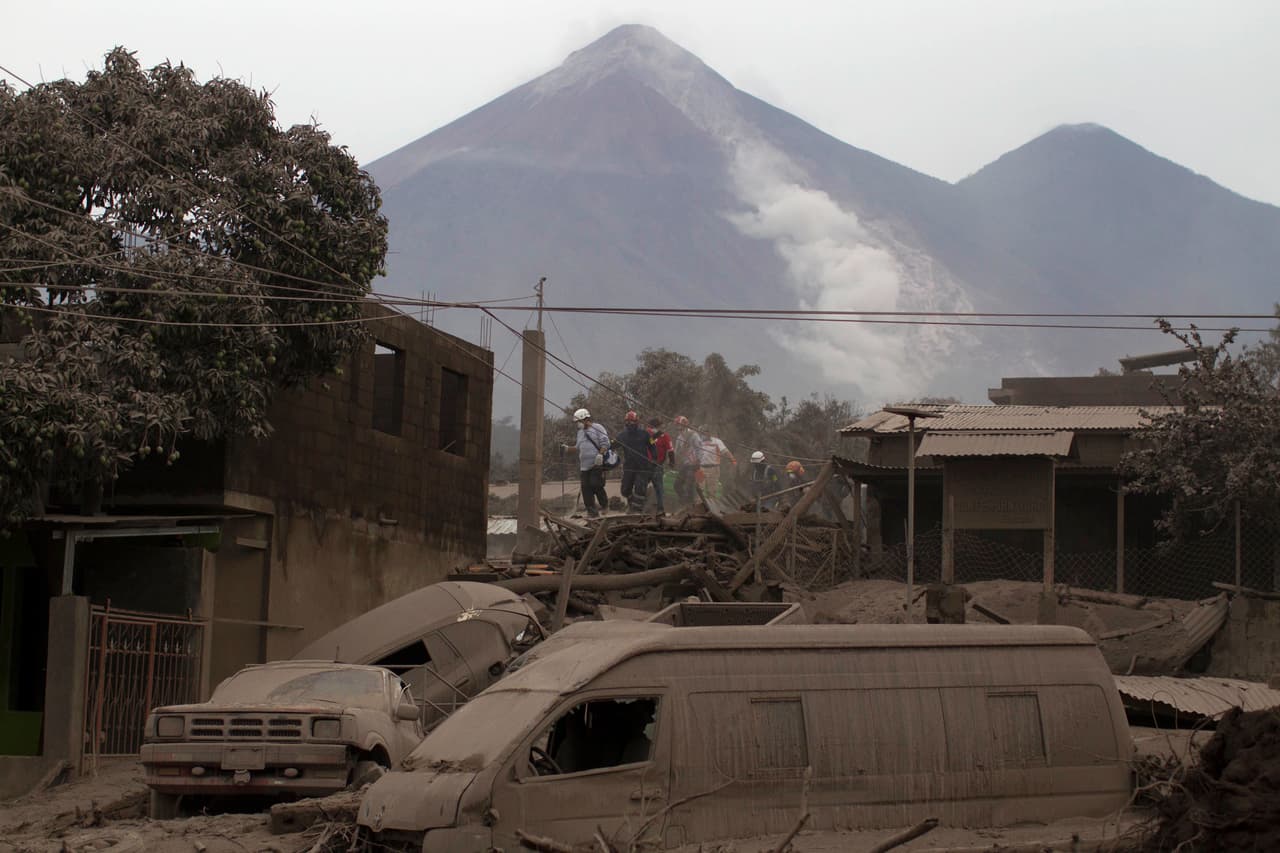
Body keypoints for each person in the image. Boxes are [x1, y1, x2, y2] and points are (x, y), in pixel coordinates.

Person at [561, 408, 610, 517]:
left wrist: (600, 454)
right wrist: (566, 448)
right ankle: (592, 512)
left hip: (597, 464)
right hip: (584, 467)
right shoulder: (580, 433)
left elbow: (605, 443)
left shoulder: (597, 428)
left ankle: (605, 505)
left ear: (585, 419)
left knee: (595, 484)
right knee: (586, 488)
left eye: (578, 422)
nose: (577, 424)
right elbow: (577, 447)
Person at [616, 410, 655, 512]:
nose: (629, 424)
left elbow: (653, 447)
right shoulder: (622, 436)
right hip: (629, 467)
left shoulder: (645, 434)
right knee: (625, 490)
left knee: (639, 488)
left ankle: (636, 510)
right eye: (627, 422)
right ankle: (633, 504)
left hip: (643, 467)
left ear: (637, 422)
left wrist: (653, 462)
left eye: (632, 421)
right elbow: (612, 446)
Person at [671, 415, 703, 506]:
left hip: (694, 464)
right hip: (685, 464)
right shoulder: (679, 438)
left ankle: (691, 504)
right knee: (677, 485)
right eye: (677, 426)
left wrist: (698, 460)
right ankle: (685, 501)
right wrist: (673, 461)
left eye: (679, 426)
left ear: (685, 425)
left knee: (689, 485)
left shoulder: (693, 435)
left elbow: (700, 449)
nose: (678, 428)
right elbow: (676, 453)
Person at [645, 417, 672, 513]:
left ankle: (643, 508)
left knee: (645, 486)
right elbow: (670, 450)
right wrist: (672, 462)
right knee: (658, 488)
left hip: (651, 465)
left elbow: (670, 450)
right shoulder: (663, 435)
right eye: (661, 425)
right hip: (652, 464)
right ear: (658, 426)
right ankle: (659, 509)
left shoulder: (647, 434)